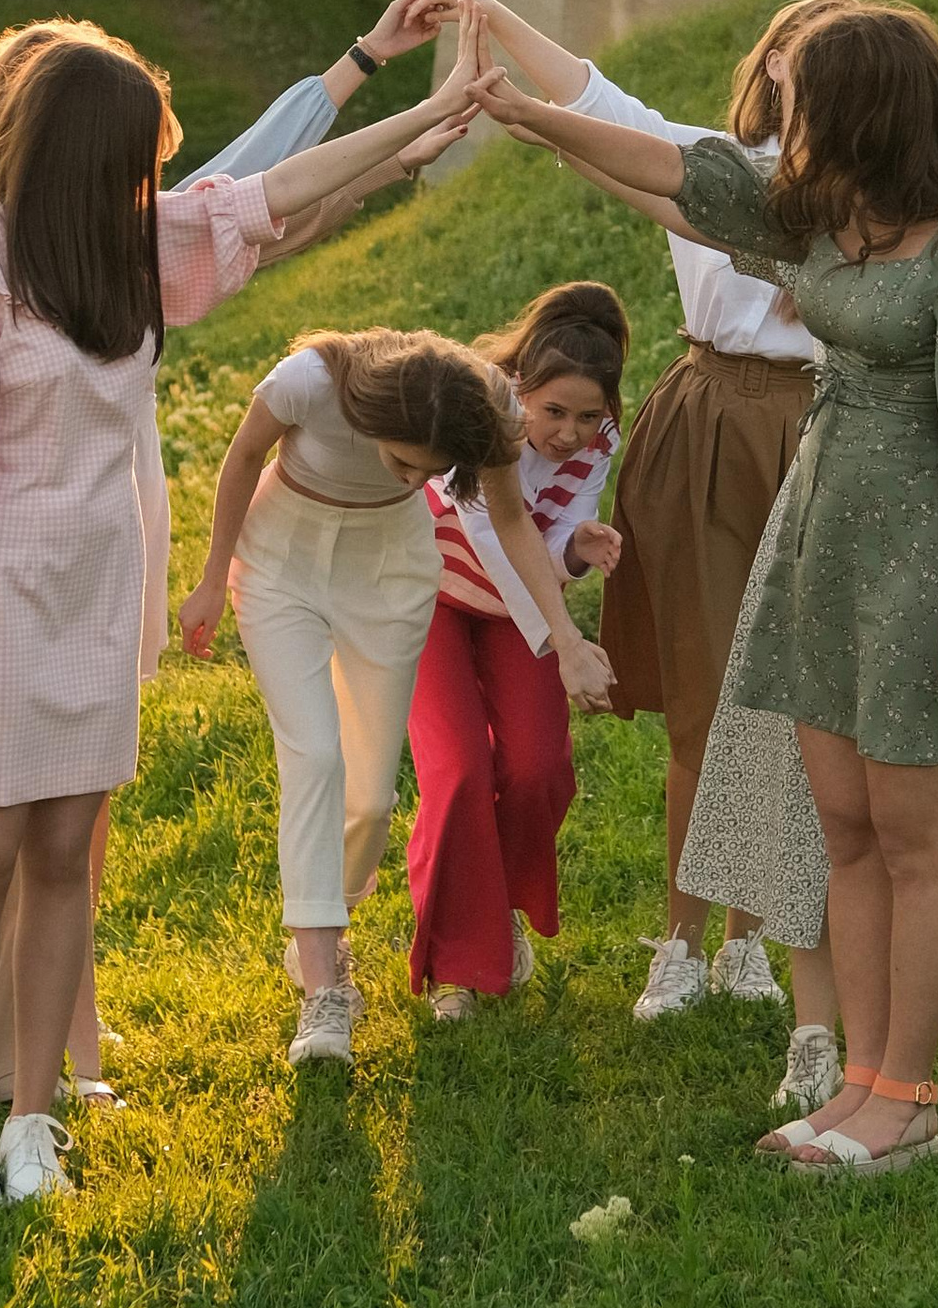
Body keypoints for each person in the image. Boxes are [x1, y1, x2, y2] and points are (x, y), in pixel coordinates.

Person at [464, 0, 938, 1178]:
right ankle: (855, 1083)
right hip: (819, 531)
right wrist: (528, 115)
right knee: (842, 828)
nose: (781, 124)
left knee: (914, 838)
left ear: (870, 108)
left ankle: (909, 1098)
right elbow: (674, 167)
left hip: (926, 548)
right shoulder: (821, 220)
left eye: (802, 105)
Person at [0, 0, 446, 1127]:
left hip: (80, 555)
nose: (145, 178)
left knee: (56, 830)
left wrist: (396, 103)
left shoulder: (115, 229)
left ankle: (34, 1067)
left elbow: (255, 199)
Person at [435, 0, 857, 1107]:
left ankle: (751, 939)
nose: (798, 77)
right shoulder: (711, 159)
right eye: (788, 55)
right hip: (708, 429)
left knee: (793, 702)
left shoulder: (864, 198)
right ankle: (678, 940)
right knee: (703, 698)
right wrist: (493, 18)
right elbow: (590, 95)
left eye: (824, 60)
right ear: (765, 69)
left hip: (816, 431)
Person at [177, 326, 616, 1069]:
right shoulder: (308, 382)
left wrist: (567, 641)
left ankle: (331, 915)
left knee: (371, 801)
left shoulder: (481, 404)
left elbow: (510, 520)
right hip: (283, 562)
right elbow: (245, 453)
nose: (419, 482)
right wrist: (213, 574)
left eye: (434, 472)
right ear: (380, 420)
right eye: (406, 463)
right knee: (314, 756)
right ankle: (323, 985)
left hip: (389, 572)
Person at [408, 279, 629, 1021]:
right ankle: (456, 967)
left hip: (517, 607)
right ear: (521, 388)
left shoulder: (599, 441)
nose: (568, 433)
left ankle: (491, 900)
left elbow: (555, 528)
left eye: (587, 416)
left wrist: (576, 547)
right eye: (554, 412)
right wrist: (564, 642)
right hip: (434, 596)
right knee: (461, 770)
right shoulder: (481, 407)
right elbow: (492, 533)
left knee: (537, 767)